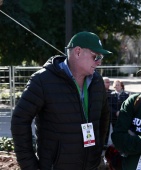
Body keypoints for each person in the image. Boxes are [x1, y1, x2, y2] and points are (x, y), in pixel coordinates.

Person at [11, 31, 112, 170]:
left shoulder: (97, 81)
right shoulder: (42, 80)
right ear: (77, 52)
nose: (99, 62)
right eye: (96, 56)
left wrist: (97, 150)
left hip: (90, 166)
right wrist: (30, 166)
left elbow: (104, 115)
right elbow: (19, 120)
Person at [103, 77, 113, 147]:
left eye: (109, 82)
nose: (109, 84)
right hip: (100, 114)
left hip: (110, 115)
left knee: (107, 129)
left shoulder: (112, 93)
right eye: (107, 82)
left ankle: (105, 144)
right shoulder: (99, 91)